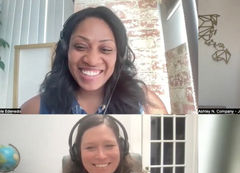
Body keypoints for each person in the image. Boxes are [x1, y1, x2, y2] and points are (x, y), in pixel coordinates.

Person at [21, 6, 167, 114]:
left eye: (105, 49)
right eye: (80, 46)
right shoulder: (33, 110)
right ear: (65, 51)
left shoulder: (148, 106)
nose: (91, 60)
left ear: (119, 56)